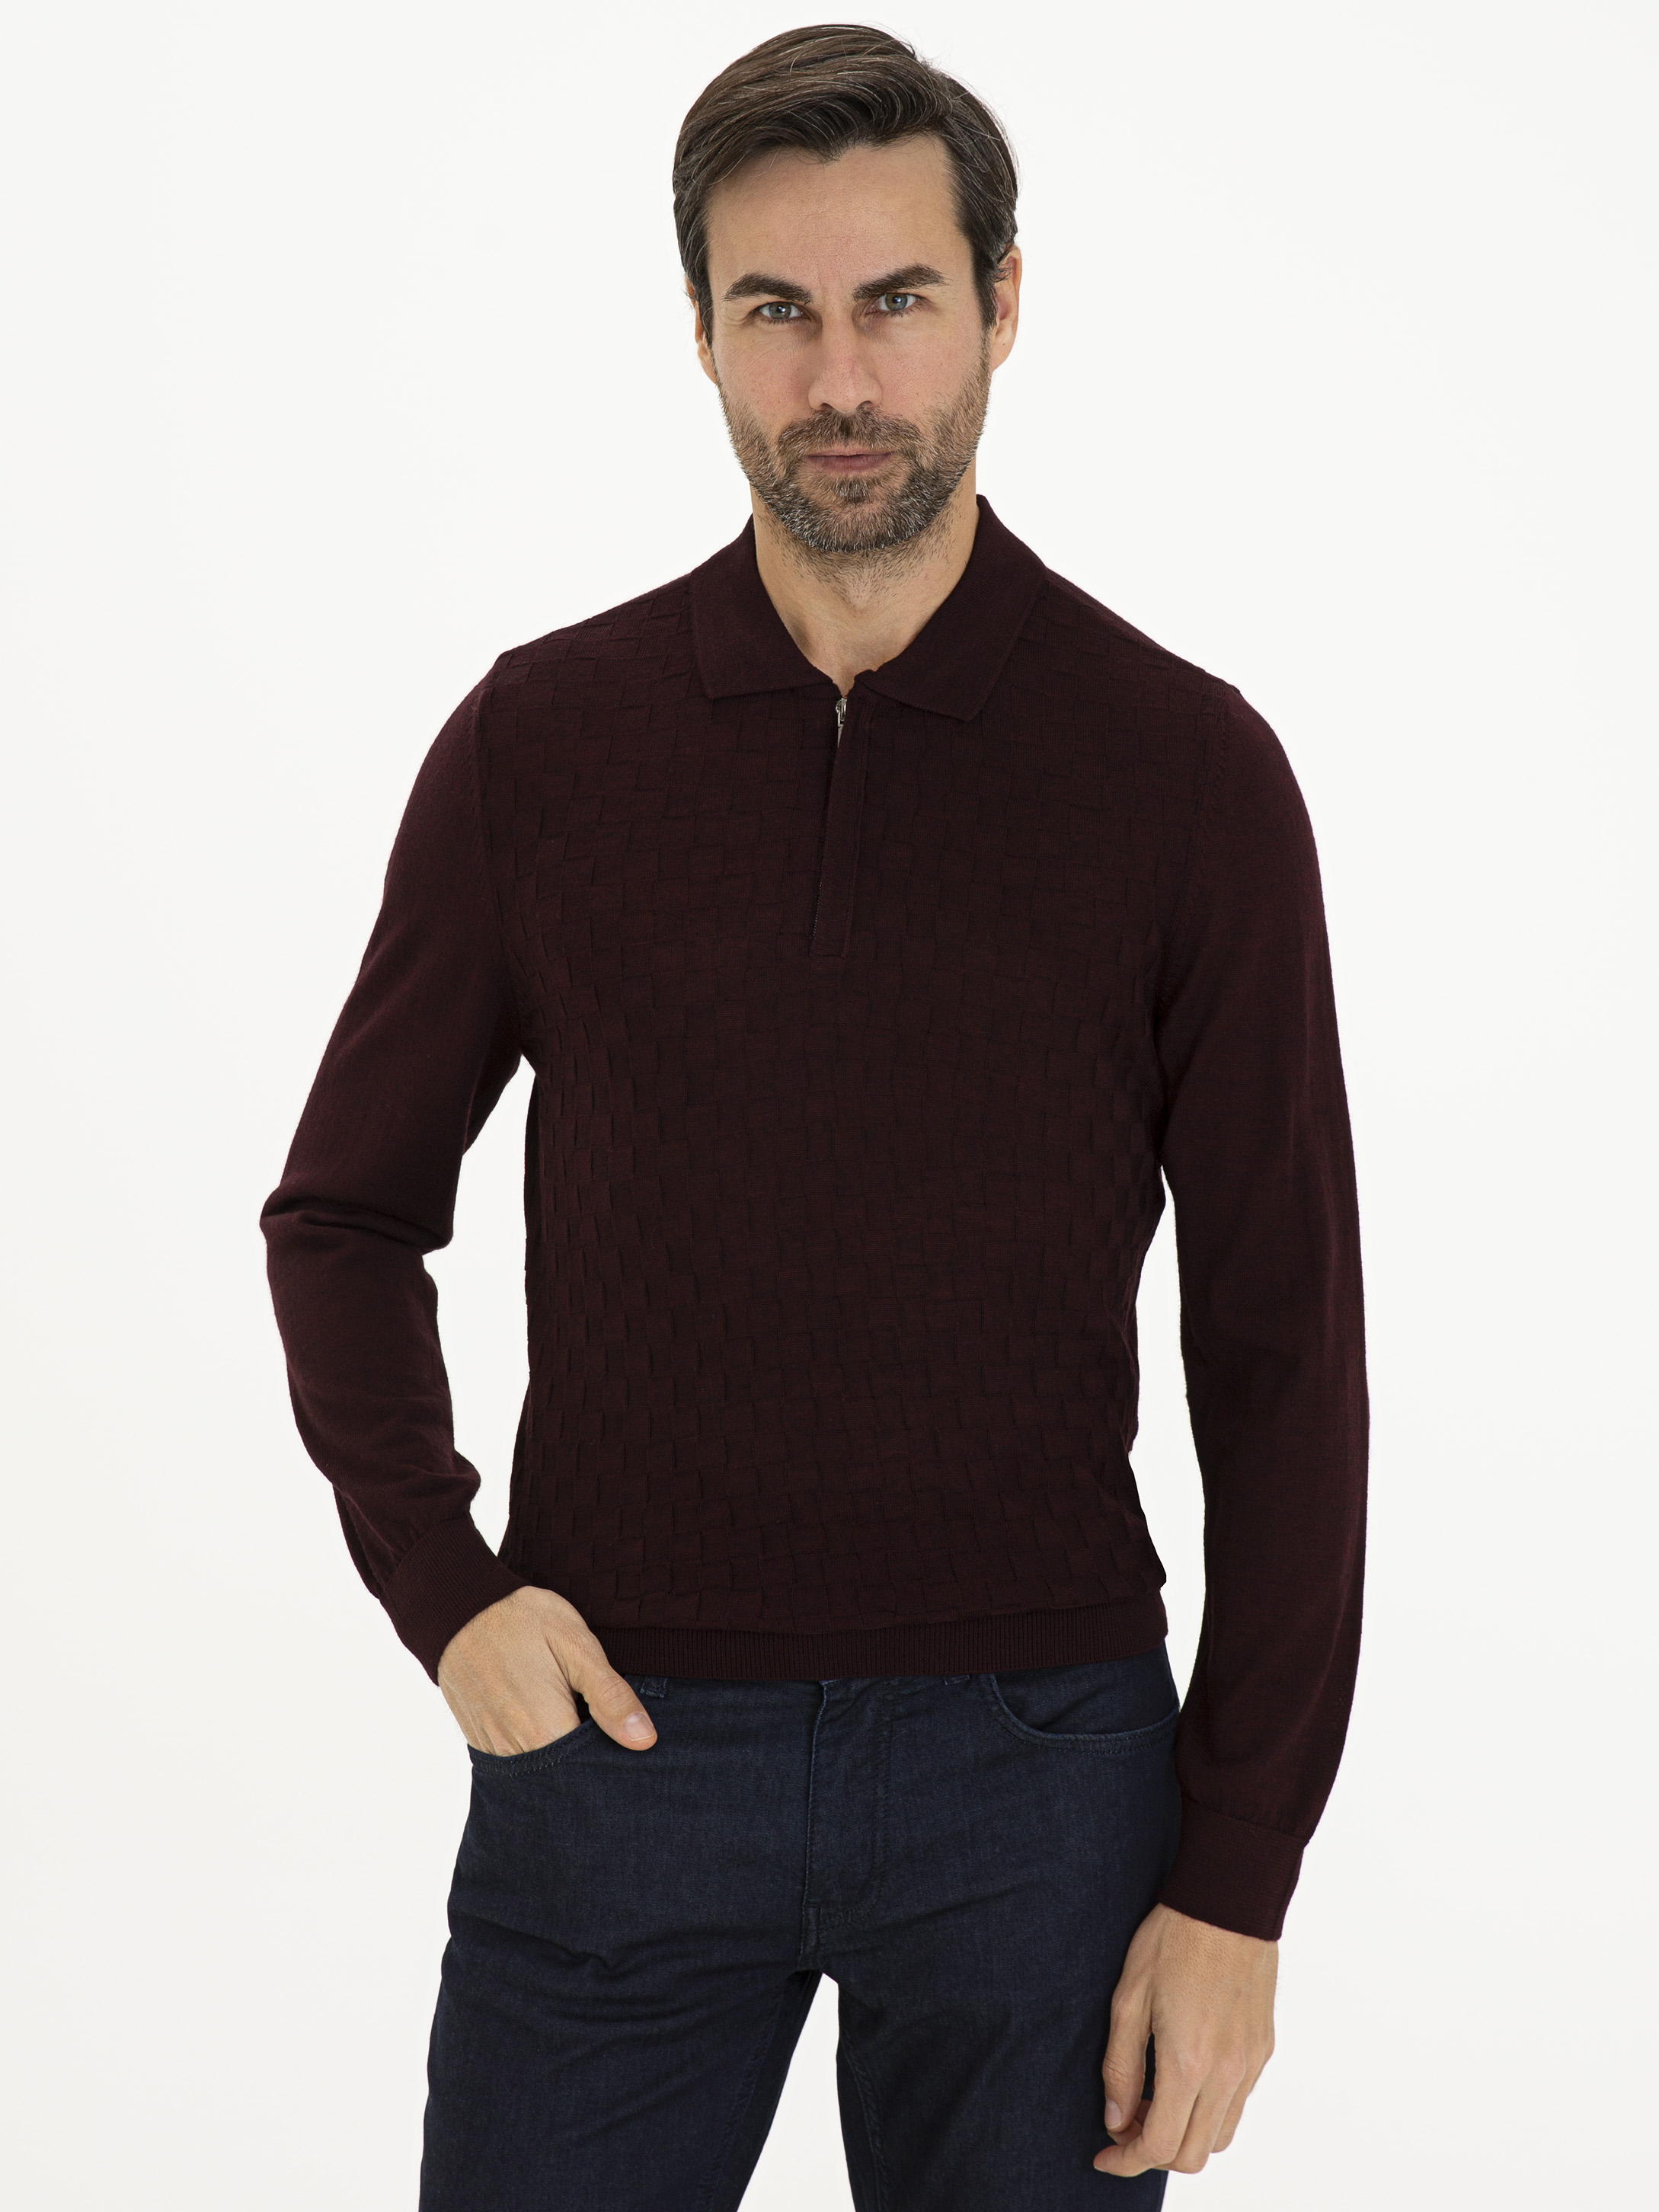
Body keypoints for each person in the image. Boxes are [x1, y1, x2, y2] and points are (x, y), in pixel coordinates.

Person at [259, 24, 1367, 2210]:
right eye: (776, 310)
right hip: (616, 1748)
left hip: (1041, 1781)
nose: (839, 380)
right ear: (700, 333)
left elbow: (1283, 1354)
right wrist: (445, 1587)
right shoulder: (542, 745)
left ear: (1002, 305)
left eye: (895, 302)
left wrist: (1238, 1876)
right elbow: (345, 1215)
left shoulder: (1183, 773)